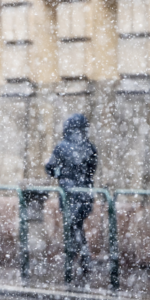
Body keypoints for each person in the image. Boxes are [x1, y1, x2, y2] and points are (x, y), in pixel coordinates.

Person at [45, 113, 98, 274]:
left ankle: (78, 258)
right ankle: (80, 258)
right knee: (77, 225)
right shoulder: (90, 147)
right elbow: (92, 169)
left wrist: (60, 174)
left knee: (73, 226)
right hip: (85, 192)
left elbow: (50, 167)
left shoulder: (62, 146)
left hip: (69, 193)